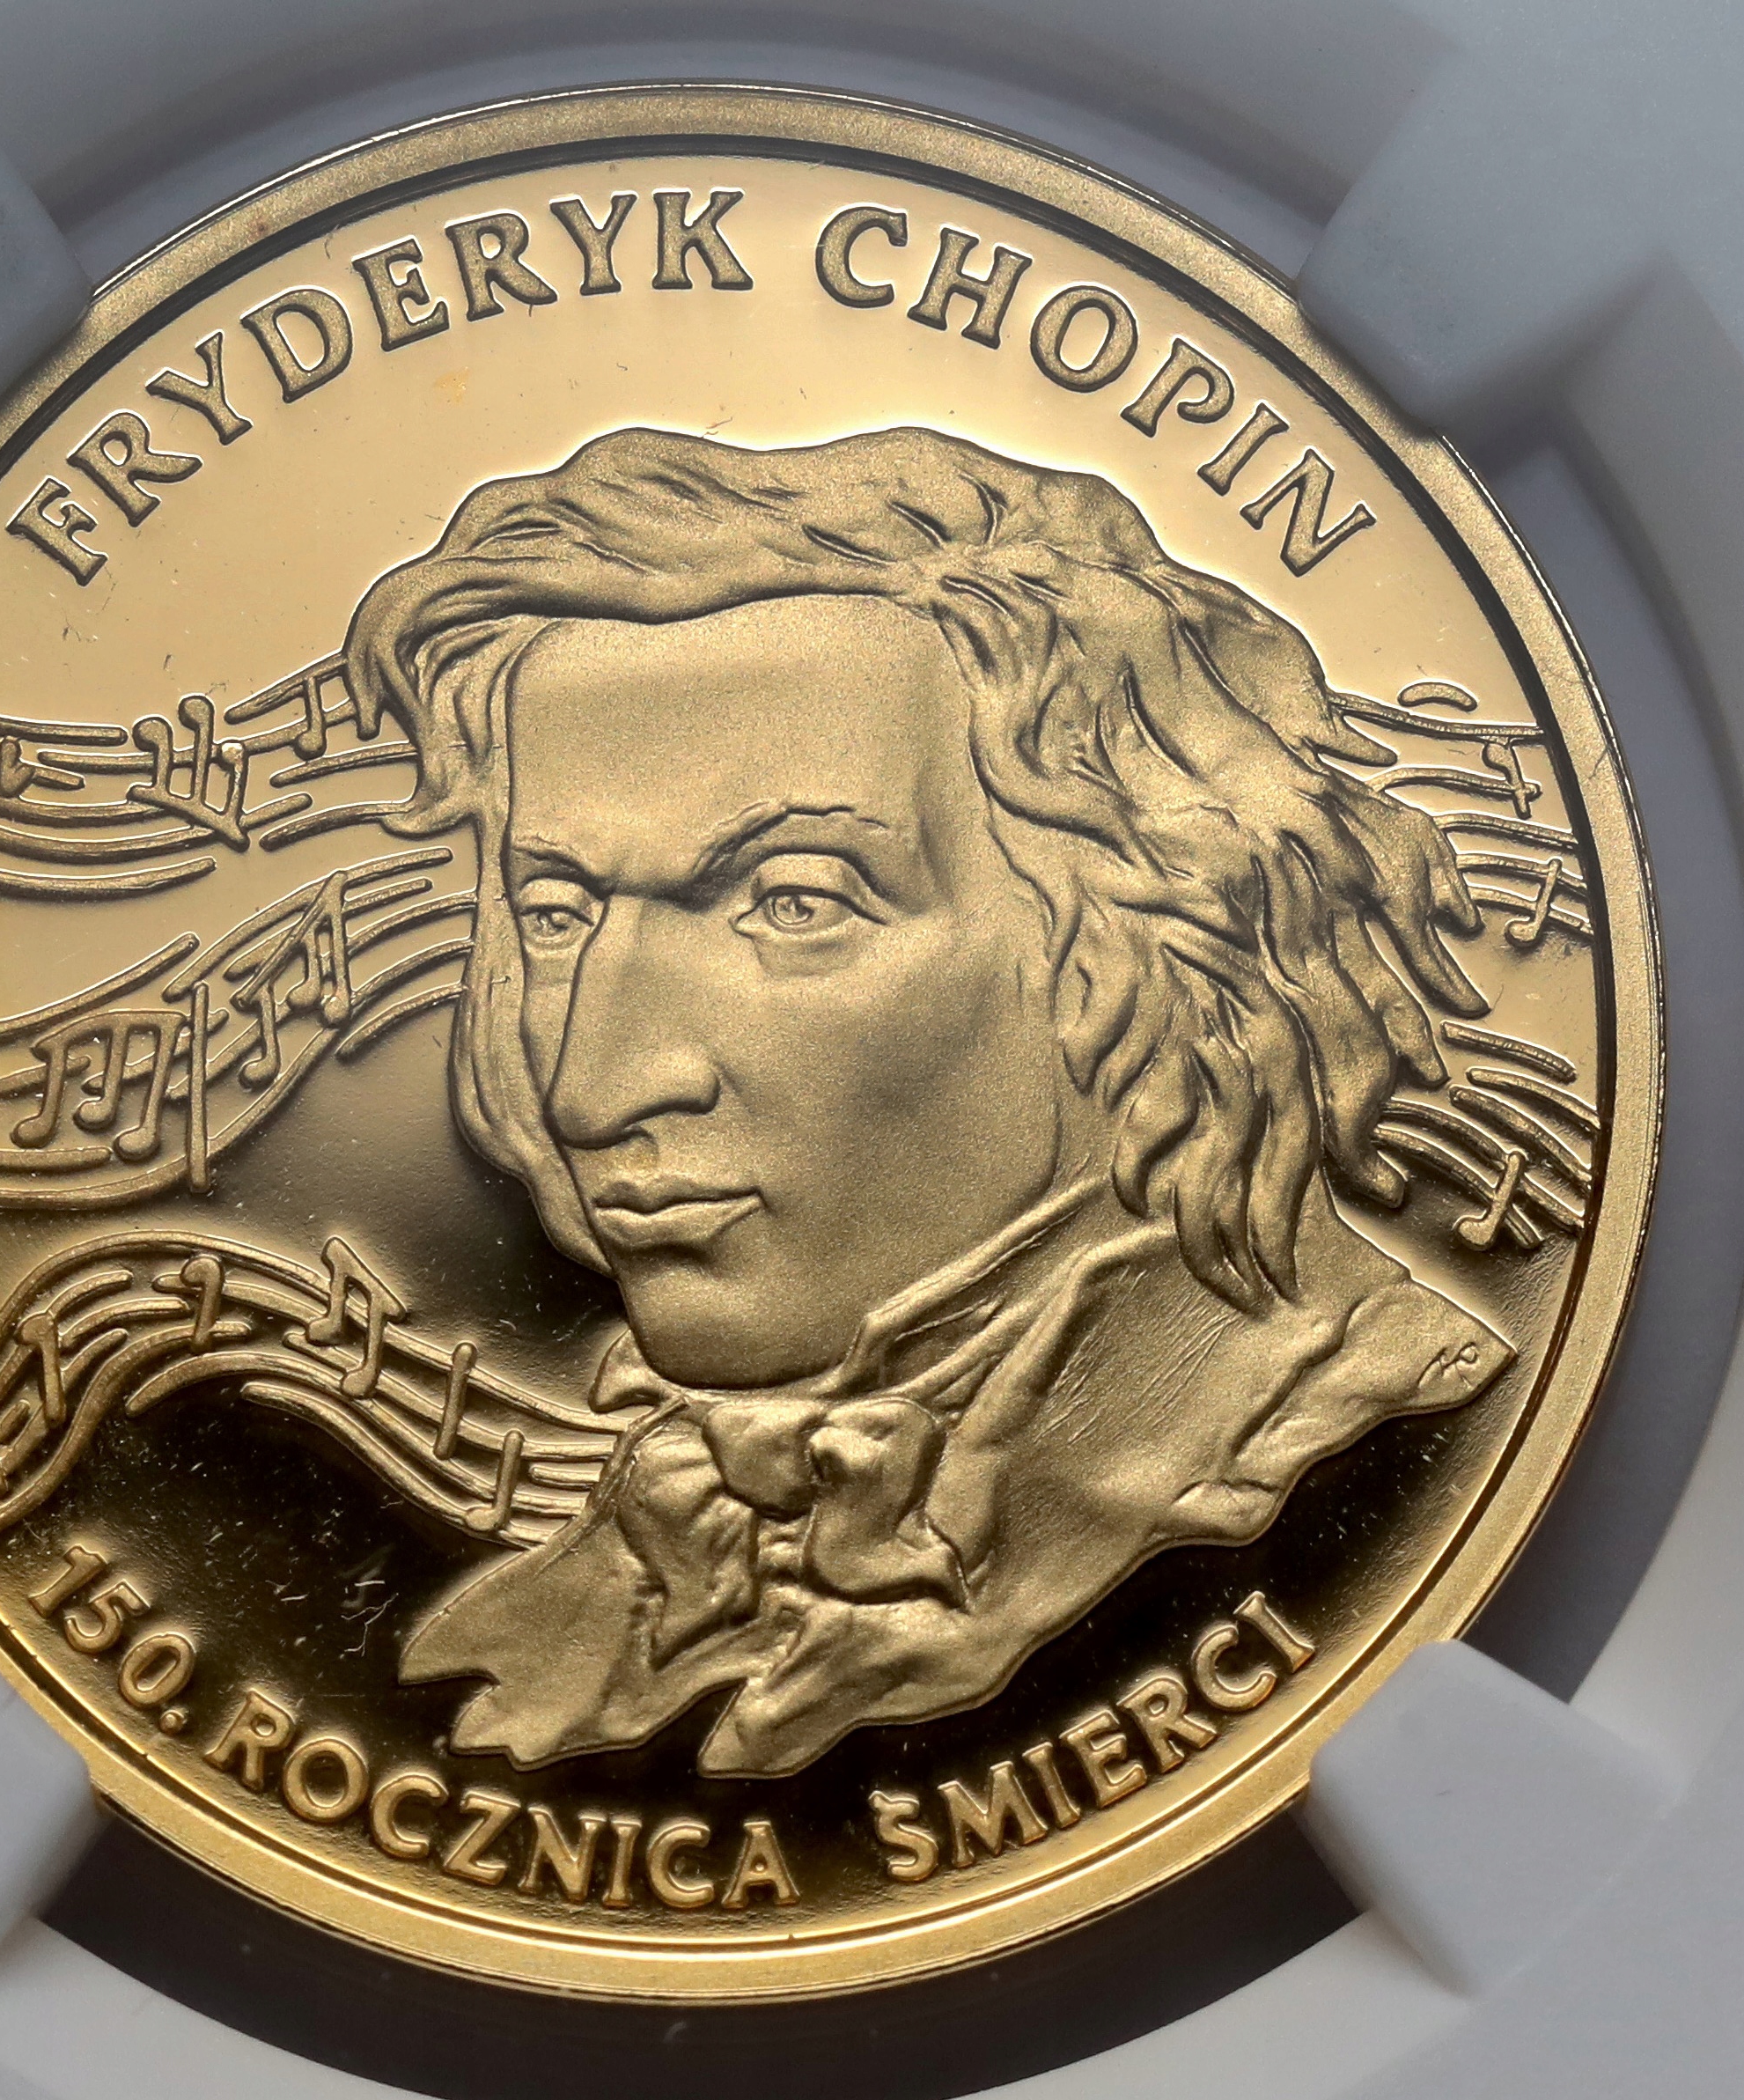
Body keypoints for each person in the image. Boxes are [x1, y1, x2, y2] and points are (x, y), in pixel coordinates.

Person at [346, 424, 1512, 1778]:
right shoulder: (605, 1575)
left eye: (794, 901)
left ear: (1142, 935)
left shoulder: (1353, 1448)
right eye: (556, 912)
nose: (589, 1085)